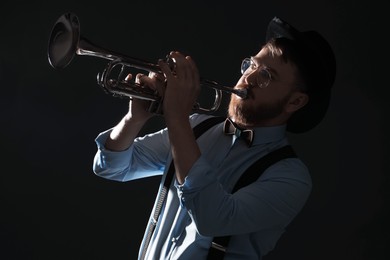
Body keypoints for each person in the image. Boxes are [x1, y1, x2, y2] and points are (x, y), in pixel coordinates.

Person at [92, 16, 336, 260]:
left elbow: (212, 218)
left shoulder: (290, 177)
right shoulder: (197, 126)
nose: (248, 79)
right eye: (251, 65)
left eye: (266, 76)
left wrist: (176, 117)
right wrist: (134, 118)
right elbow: (112, 167)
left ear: (295, 101)